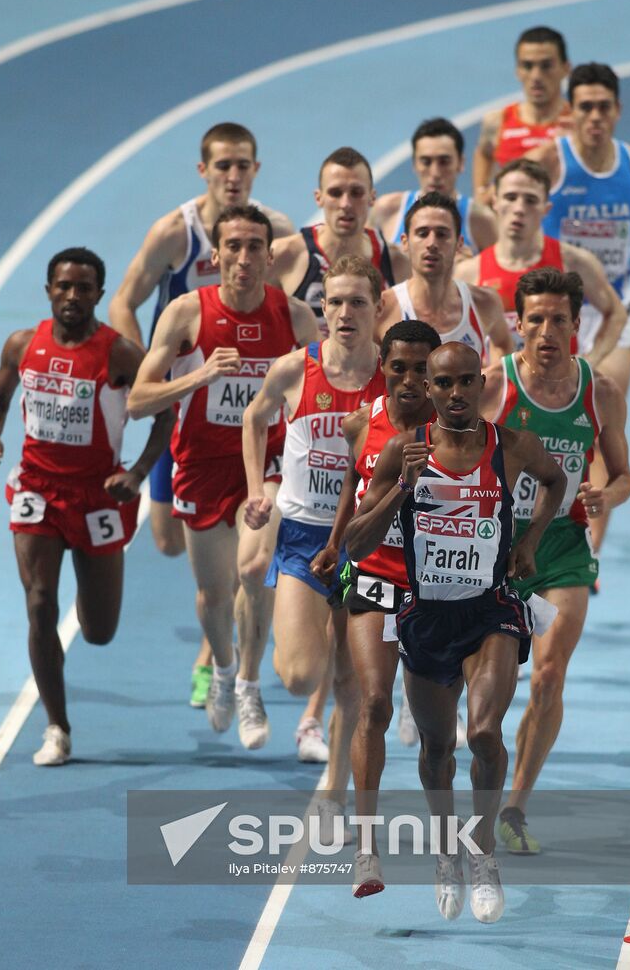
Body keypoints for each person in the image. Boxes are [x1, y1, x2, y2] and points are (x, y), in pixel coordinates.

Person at [344, 341, 566, 921]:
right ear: (432, 389)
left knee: (484, 733)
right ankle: (448, 854)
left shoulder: (511, 446)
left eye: (468, 382)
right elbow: (356, 545)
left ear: (481, 384)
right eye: (445, 384)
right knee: (437, 748)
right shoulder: (403, 451)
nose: (457, 394)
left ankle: (483, 854)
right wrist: (400, 490)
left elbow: (555, 481)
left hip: (488, 610)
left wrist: (530, 540)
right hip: (425, 618)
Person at [109, 123, 294, 707]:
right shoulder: (175, 232)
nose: (233, 176)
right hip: (184, 408)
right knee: (164, 541)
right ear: (204, 171)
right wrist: (150, 373)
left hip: (251, 431)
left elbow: (301, 302)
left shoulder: (276, 233)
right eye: (223, 166)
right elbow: (123, 299)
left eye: (244, 165)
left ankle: (216, 657)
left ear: (256, 170)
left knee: (246, 564)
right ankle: (219, 631)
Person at [127, 205, 318, 750]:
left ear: (269, 254)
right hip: (203, 467)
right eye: (232, 246)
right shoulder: (187, 314)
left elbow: (319, 392)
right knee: (214, 595)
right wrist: (202, 375)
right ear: (216, 255)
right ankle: (225, 664)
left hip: (271, 463)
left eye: (254, 246)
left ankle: (249, 685)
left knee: (255, 567)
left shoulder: (296, 318)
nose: (243, 257)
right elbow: (139, 400)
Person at [0, 248, 174, 765]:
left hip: (98, 497)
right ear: (48, 290)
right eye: (63, 286)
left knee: (98, 631)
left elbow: (164, 414)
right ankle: (57, 728)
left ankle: (66, 682)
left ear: (99, 293)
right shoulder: (23, 344)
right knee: (40, 604)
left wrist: (135, 474)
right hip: (36, 491)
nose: (72, 296)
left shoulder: (120, 354)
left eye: (83, 288)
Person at [478, 266, 630, 855]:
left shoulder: (602, 393)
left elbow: (623, 476)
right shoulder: (494, 385)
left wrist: (602, 495)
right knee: (488, 694)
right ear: (518, 323)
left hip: (563, 550)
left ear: (576, 326)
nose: (546, 331)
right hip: (493, 552)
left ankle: (515, 806)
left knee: (547, 676)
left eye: (559, 320)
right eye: (535, 319)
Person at [243, 254, 386, 836]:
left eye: (358, 302)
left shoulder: (394, 379)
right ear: (322, 308)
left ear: (378, 310)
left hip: (366, 541)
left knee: (354, 682)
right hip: (303, 537)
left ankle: (333, 790)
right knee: (300, 677)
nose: (345, 312)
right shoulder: (294, 370)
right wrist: (258, 489)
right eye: (336, 301)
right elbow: (254, 419)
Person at [308, 319, 441, 896]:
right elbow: (348, 486)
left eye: (422, 370)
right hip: (373, 576)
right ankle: (367, 848)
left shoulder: (456, 432)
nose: (410, 380)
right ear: (381, 365)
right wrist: (336, 543)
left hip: (435, 592)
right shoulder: (362, 422)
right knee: (374, 704)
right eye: (399, 367)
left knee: (439, 735)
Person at [528, 61, 630, 550]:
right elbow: (505, 197)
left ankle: (587, 550)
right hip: (554, 312)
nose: (595, 117)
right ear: (571, 113)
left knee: (598, 416)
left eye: (604, 107)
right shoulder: (550, 161)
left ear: (618, 111)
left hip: (614, 307)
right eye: (585, 107)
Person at [456, 158, 627, 363]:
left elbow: (616, 314)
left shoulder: (574, 262)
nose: (519, 208)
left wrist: (590, 362)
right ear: (495, 202)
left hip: (559, 389)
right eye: (510, 197)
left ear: (546, 208)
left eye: (530, 200)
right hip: (502, 389)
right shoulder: (468, 273)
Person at [270, 147, 410, 333]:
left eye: (356, 192)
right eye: (336, 193)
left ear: (372, 197)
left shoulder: (397, 262)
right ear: (319, 198)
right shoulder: (284, 255)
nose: (346, 204)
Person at [376, 192, 512, 364]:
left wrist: (489, 380)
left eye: (442, 234)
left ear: (459, 244)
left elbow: (503, 346)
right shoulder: (383, 309)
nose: (432, 243)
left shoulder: (484, 302)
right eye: (422, 233)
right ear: (405, 242)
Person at [473, 26, 572, 203]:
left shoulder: (576, 123)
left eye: (546, 66)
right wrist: (480, 190)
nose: (536, 76)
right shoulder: (497, 121)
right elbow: (483, 153)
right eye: (527, 66)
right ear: (517, 70)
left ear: (566, 68)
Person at [371, 117, 496, 255]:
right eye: (426, 161)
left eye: (444, 162)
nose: (435, 173)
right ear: (414, 164)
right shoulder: (387, 210)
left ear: (461, 163)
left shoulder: (481, 221)